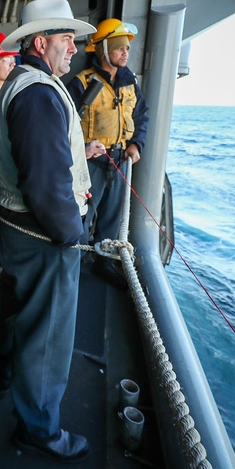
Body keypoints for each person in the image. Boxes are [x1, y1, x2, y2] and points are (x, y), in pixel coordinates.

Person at [0, 0, 95, 463]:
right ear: (40, 42)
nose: (75, 47)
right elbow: (47, 185)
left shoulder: (26, 84)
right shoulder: (38, 93)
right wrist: (71, 235)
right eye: (66, 38)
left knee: (15, 316)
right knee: (47, 337)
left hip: (15, 229)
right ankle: (40, 430)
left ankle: (6, 378)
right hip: (42, 238)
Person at [65, 19, 149, 283]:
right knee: (81, 215)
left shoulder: (130, 83)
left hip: (119, 159)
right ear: (104, 49)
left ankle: (103, 261)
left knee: (112, 218)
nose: (126, 52)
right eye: (119, 47)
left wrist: (136, 144)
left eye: (127, 48)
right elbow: (65, 126)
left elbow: (142, 116)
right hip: (91, 161)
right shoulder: (81, 83)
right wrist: (83, 150)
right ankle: (72, 264)